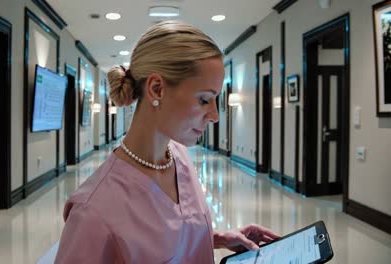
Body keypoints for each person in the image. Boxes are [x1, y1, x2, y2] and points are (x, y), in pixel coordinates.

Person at [55, 20, 279, 264]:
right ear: (157, 89)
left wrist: (217, 239)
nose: (215, 116)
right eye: (205, 100)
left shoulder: (178, 156)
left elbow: (161, 239)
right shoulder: (93, 213)